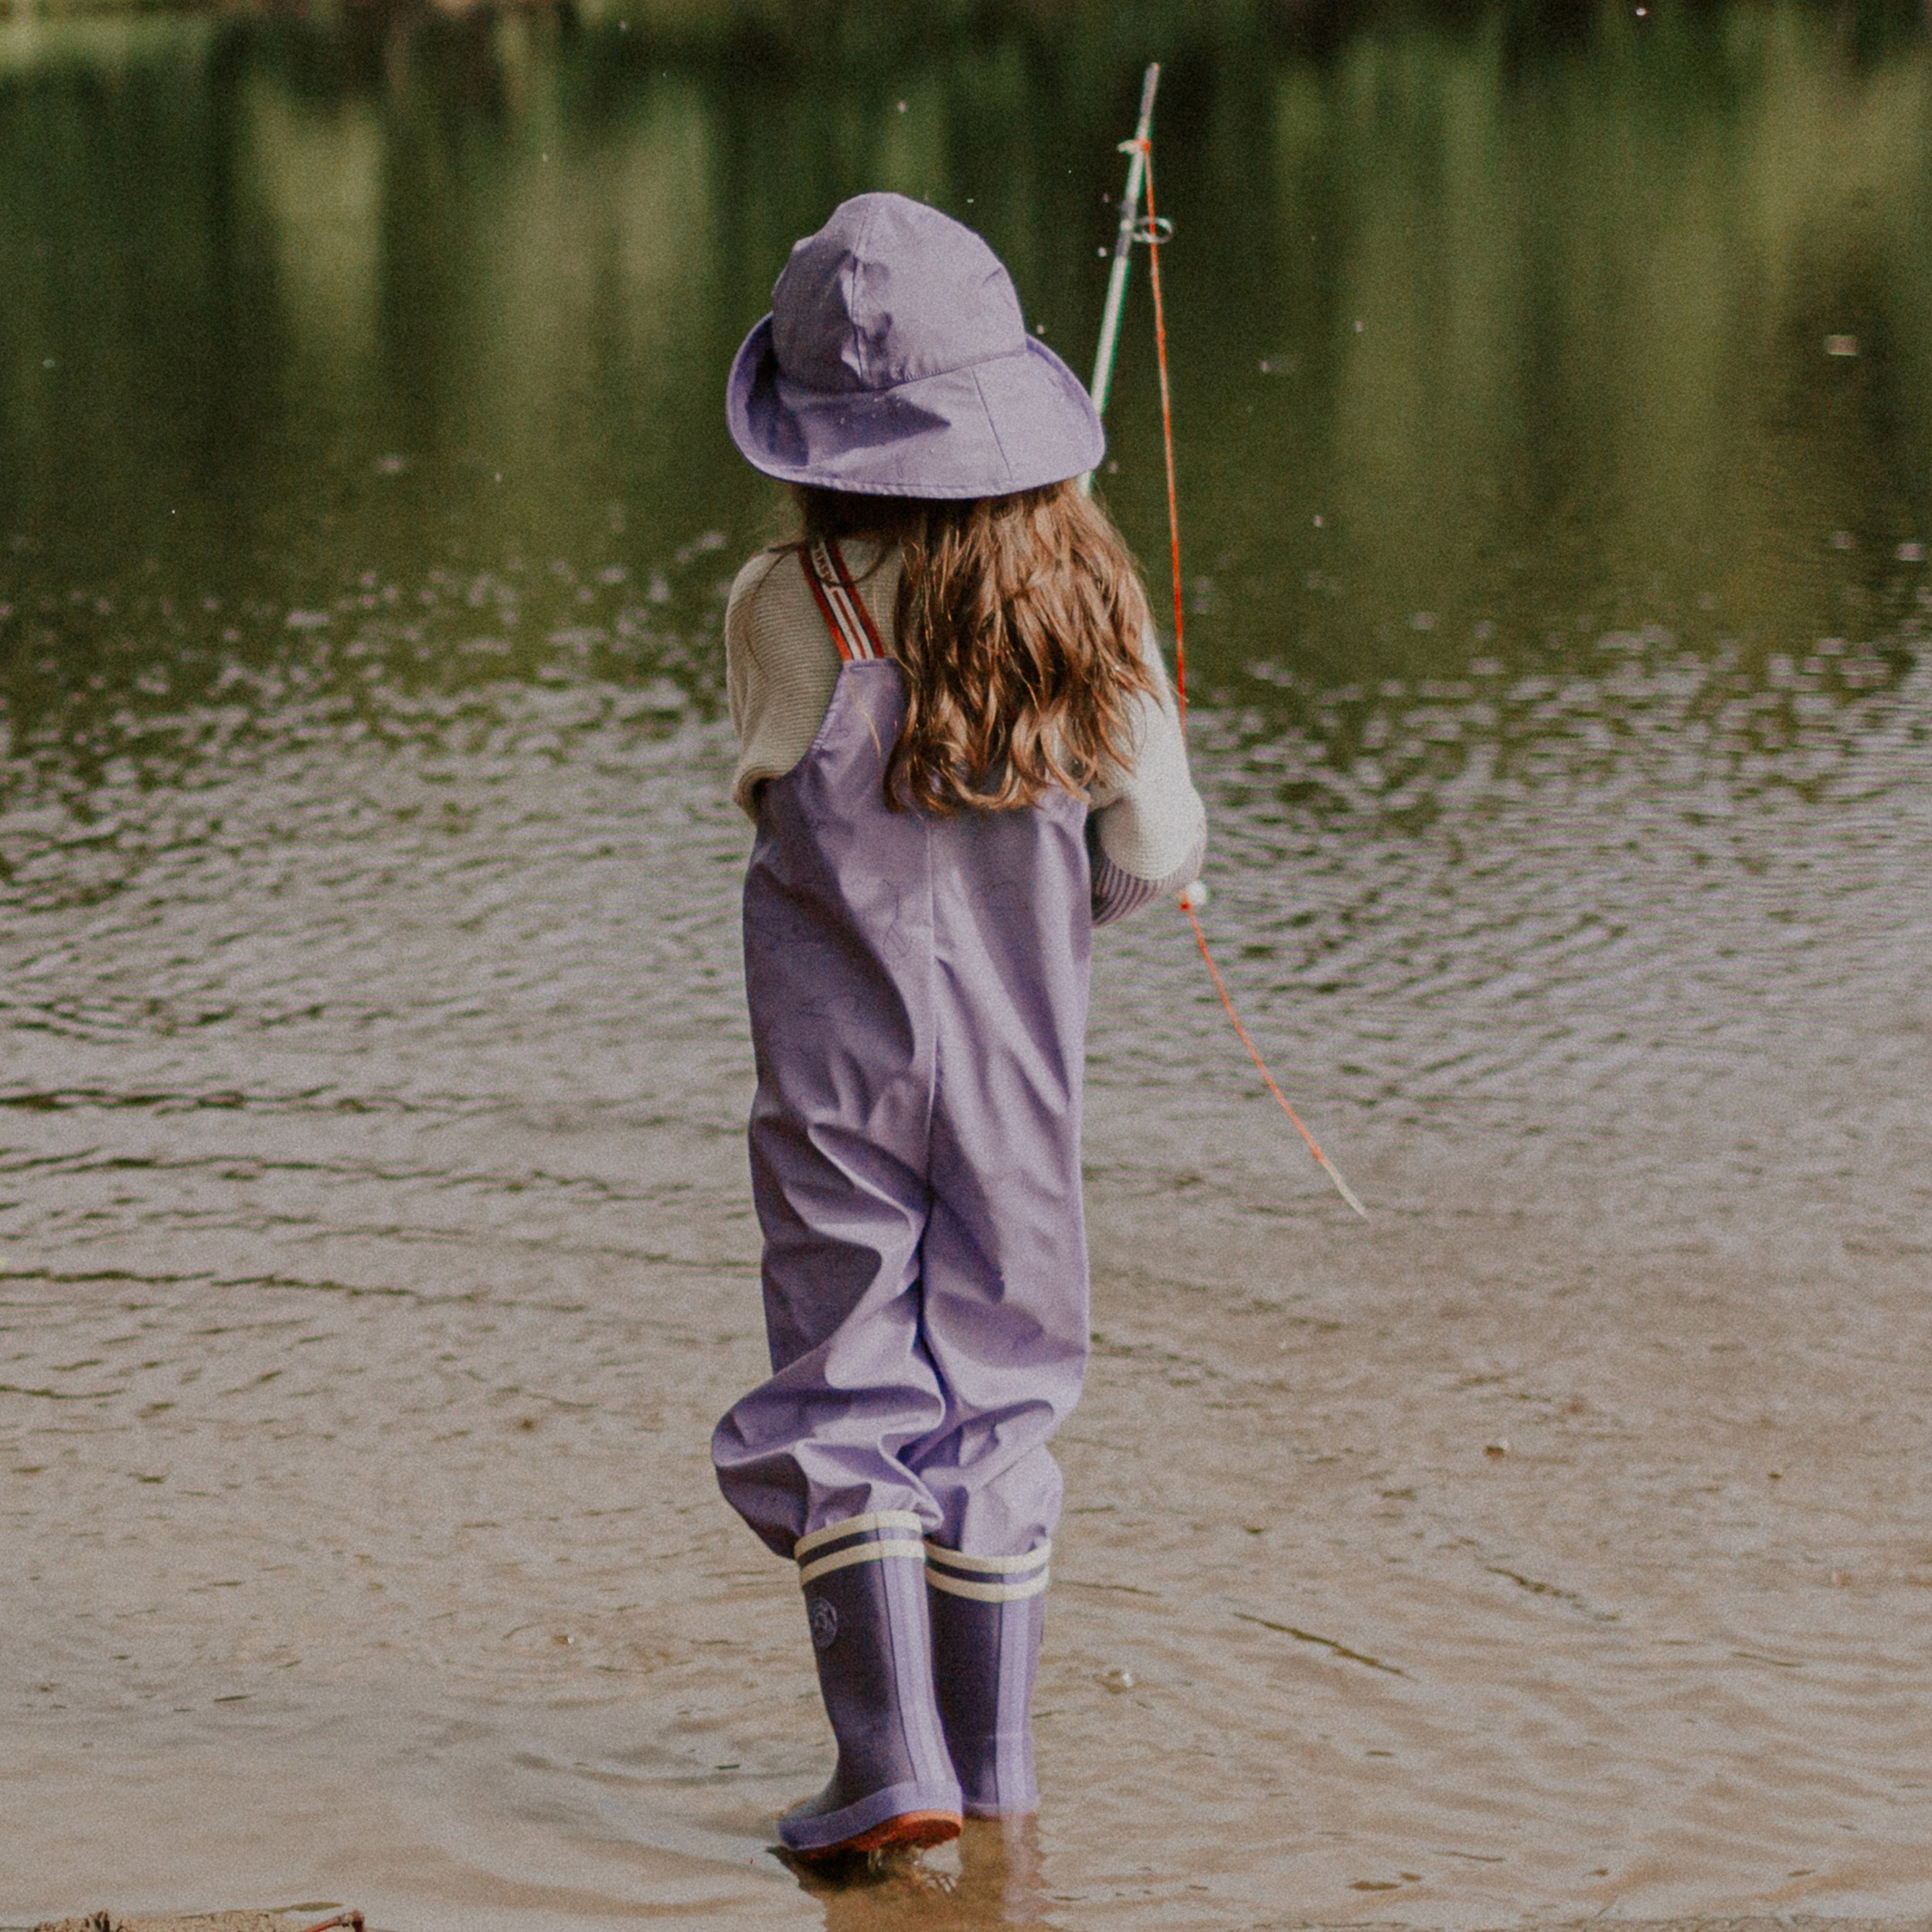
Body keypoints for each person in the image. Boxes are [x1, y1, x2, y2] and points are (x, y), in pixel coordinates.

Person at [711, 191, 1206, 1861]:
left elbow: (767, 790)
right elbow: (1150, 842)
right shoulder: (1090, 599)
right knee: (999, 1374)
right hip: (1018, 1064)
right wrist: (1077, 898)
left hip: (834, 1063)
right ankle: (990, 1772)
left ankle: (883, 1758)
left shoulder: (780, 601)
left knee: (846, 1359)